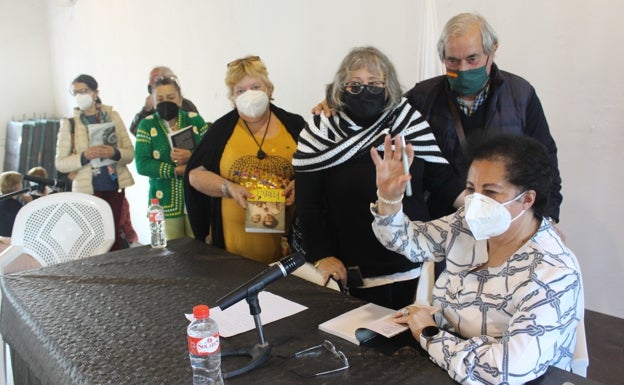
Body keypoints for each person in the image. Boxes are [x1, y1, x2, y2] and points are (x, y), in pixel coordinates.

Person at [370, 134, 583, 384]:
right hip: (450, 360)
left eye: (490, 192)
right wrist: (389, 198)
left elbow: (505, 370)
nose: (475, 203)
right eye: (471, 189)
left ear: (527, 199)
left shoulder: (553, 271)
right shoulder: (468, 226)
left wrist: (428, 332)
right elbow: (407, 242)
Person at [292, 47, 464, 309]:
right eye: (355, 85)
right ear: (341, 87)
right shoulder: (321, 131)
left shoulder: (408, 122)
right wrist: (322, 256)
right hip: (353, 273)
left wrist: (483, 207)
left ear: (389, 86)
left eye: (374, 83)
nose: (365, 91)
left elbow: (442, 181)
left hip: (412, 267)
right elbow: (308, 204)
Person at [405, 12, 562, 223]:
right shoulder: (421, 97)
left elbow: (545, 161)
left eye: (472, 59)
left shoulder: (521, 94)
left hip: (506, 221)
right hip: (441, 223)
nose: (463, 69)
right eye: (453, 61)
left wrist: (548, 219)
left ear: (492, 50)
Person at [185, 55, 305, 264]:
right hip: (234, 249)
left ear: (268, 89)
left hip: (289, 247)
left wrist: (301, 184)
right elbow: (195, 175)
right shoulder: (221, 131)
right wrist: (228, 188)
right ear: (232, 97)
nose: (249, 95)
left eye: (255, 86)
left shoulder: (294, 124)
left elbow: (317, 170)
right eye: (240, 91)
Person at [55, 74, 135, 251]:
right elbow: (60, 163)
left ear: (95, 92)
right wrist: (84, 156)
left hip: (114, 185)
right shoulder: (70, 123)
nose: (79, 95)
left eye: (83, 91)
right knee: (91, 239)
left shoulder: (112, 116)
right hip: (87, 191)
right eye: (75, 92)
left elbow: (130, 153)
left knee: (113, 236)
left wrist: (114, 152)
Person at [135, 75, 208, 241]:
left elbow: (212, 154)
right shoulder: (146, 125)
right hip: (162, 201)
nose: (165, 102)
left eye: (170, 97)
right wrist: (175, 171)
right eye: (160, 99)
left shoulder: (195, 120)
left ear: (180, 99)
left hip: (197, 197)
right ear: (153, 101)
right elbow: (142, 164)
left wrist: (191, 156)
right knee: (169, 252)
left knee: (199, 248)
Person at [129, 66, 199, 136]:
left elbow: (195, 129)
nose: (150, 83)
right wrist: (146, 110)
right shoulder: (149, 107)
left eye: (155, 78)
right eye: (150, 79)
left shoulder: (186, 104)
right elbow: (136, 132)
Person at [0, 171, 32, 237]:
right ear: (17, 186)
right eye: (20, 183)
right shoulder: (14, 205)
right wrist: (30, 203)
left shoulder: (2, 200)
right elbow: (28, 223)